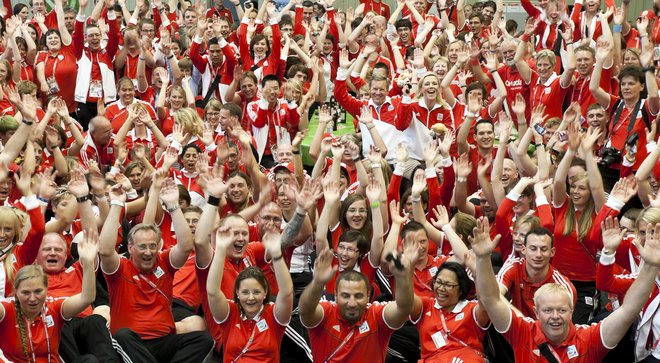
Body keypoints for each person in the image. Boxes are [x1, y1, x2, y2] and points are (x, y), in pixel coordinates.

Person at [472, 216, 660, 362]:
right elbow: (491, 299)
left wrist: (651, 266)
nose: (555, 316)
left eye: (562, 310)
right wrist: (482, 259)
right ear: (536, 312)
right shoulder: (523, 332)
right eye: (547, 310)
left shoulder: (588, 339)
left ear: (572, 311)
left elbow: (629, 310)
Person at [99, 180, 214, 362]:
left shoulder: (164, 263)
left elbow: (185, 246)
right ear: (130, 247)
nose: (148, 252)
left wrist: (174, 207)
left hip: (164, 340)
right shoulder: (119, 268)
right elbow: (105, 250)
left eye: (152, 246)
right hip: (132, 343)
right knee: (122, 336)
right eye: (142, 246)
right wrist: (116, 204)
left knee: (203, 340)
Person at [298, 241, 416, 363]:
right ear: (336, 296)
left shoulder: (376, 315)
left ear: (368, 296)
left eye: (358, 296)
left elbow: (404, 308)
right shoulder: (327, 313)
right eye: (345, 296)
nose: (352, 303)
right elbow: (305, 310)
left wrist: (402, 277)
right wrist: (317, 283)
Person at [0, 229, 98, 363]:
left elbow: (87, 298)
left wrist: (88, 263)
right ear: (16, 291)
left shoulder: (53, 306)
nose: (33, 298)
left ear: (46, 290)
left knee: (89, 360)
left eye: (38, 291)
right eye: (25, 293)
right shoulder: (6, 309)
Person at [206, 224, 294, 362]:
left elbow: (287, 292)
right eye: (245, 292)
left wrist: (276, 253)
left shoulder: (274, 315)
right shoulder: (230, 313)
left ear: (265, 292)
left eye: (256, 292)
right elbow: (212, 292)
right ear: (237, 293)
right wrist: (220, 249)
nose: (251, 298)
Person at [410, 261, 490, 362]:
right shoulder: (425, 306)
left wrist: (477, 276)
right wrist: (404, 272)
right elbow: (406, 300)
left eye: (448, 285)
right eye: (438, 282)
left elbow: (486, 303)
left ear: (461, 289)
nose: (441, 288)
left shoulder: (471, 309)